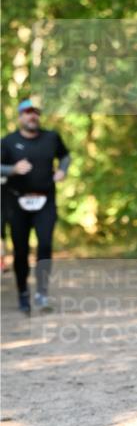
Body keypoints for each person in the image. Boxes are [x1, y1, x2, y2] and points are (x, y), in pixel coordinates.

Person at [1, 99, 70, 313]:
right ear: (20, 116)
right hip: (17, 202)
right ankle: (23, 293)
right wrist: (12, 169)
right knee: (20, 250)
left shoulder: (51, 137)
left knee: (45, 245)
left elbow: (65, 156)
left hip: (45, 201)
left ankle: (42, 292)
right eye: (28, 113)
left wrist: (62, 170)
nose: (33, 116)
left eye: (36, 113)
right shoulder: (8, 142)